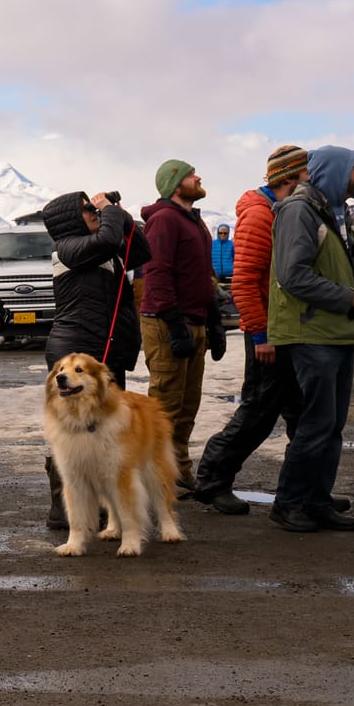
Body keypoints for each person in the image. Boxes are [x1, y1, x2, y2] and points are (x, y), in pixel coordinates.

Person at [268, 147, 354, 533]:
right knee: (316, 424)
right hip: (311, 331)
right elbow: (293, 275)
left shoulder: (336, 212)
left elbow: (333, 267)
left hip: (337, 330)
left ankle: (317, 499)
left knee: (332, 424)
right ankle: (288, 504)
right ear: (335, 172)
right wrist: (348, 297)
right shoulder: (299, 211)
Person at [190, 146, 310, 516]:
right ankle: (211, 481)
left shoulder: (278, 210)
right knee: (258, 412)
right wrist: (261, 335)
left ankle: (306, 491)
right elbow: (243, 281)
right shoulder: (260, 215)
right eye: (307, 173)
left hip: (286, 330)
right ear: (290, 177)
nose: (313, 179)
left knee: (300, 414)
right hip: (269, 333)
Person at [37, 187, 152, 528]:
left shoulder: (98, 248)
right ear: (71, 218)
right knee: (73, 431)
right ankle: (62, 508)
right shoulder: (68, 249)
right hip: (75, 353)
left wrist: (117, 211)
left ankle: (101, 503)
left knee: (103, 431)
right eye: (87, 209)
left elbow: (141, 250)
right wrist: (109, 214)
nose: (93, 213)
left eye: (93, 209)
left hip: (102, 353)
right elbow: (106, 240)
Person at [140, 160, 224, 492]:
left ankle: (178, 471)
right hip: (167, 323)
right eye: (191, 175)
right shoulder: (163, 220)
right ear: (176, 184)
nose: (199, 177)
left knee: (188, 406)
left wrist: (214, 321)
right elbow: (157, 273)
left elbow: (204, 277)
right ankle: (154, 477)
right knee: (165, 407)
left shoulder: (194, 221)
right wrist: (174, 325)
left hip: (195, 321)